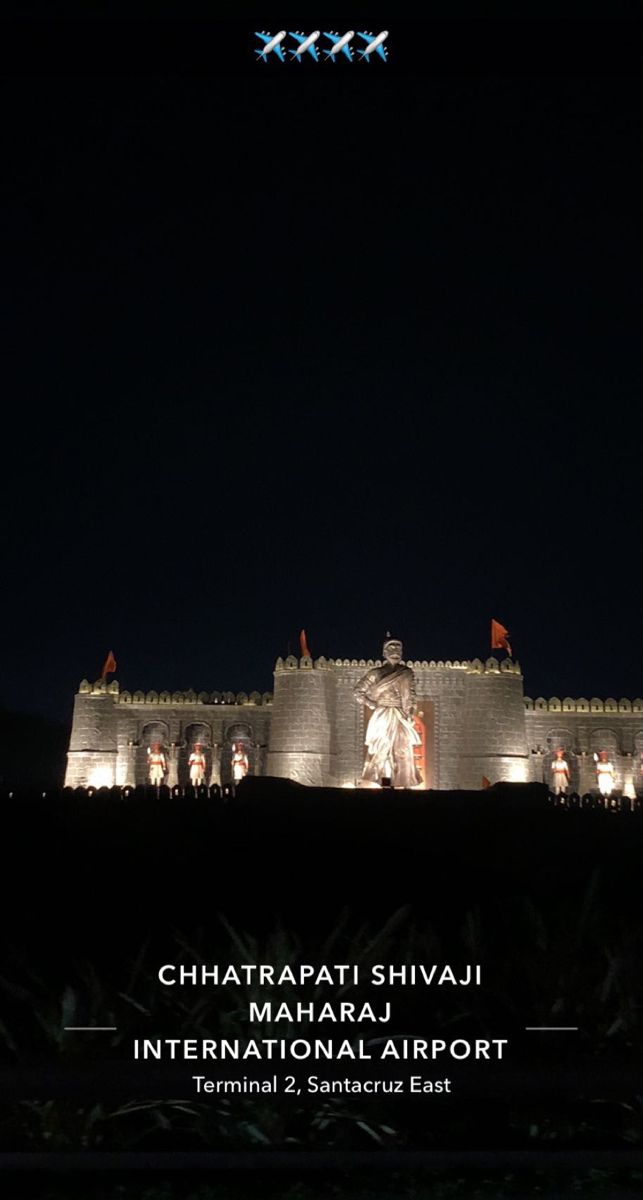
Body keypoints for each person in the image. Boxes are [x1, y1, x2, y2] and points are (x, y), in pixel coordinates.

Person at [354, 635, 422, 788]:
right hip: (382, 715)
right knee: (380, 748)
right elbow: (358, 692)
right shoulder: (376, 673)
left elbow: (411, 696)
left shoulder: (406, 673)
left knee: (402, 747)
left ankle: (403, 782)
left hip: (400, 715)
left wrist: (410, 713)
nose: (395, 651)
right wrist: (372, 704)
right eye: (391, 648)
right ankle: (373, 781)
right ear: (384, 652)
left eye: (398, 648)